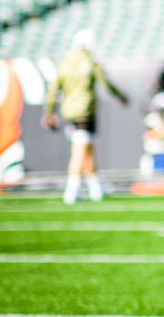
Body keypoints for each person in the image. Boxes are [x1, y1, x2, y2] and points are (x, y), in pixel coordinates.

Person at [43, 30, 129, 204]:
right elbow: (106, 82)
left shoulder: (64, 62)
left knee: (87, 149)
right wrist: (121, 97)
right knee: (79, 151)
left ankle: (95, 188)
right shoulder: (90, 62)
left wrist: (49, 113)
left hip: (68, 111)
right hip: (85, 112)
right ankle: (72, 189)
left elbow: (53, 90)